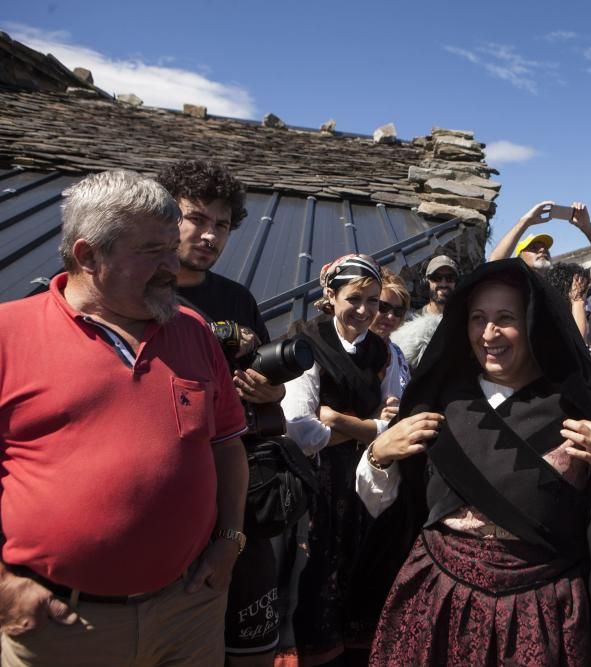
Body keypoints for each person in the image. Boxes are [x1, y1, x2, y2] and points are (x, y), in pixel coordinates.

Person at [353, 258, 591, 666]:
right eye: (477, 318)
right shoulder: (438, 403)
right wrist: (378, 455)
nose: (489, 333)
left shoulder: (577, 410)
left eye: (506, 318)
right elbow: (383, 506)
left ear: (533, 323)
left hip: (541, 611)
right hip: (439, 599)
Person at [0, 169, 249, 666]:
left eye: (169, 246)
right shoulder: (9, 334)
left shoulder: (194, 330)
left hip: (187, 614)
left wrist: (229, 541)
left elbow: (226, 447)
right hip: (60, 625)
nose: (170, 265)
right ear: (88, 255)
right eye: (151, 252)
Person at [158, 159, 285, 665]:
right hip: (159, 503)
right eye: (196, 218)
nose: (209, 235)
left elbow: (274, 390)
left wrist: (264, 392)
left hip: (231, 498)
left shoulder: (237, 298)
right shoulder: (131, 294)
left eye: (222, 224)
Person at [279, 254, 391, 664]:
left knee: (360, 570)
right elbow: (300, 430)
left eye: (374, 301)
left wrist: (340, 420)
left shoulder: (381, 352)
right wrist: (368, 426)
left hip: (365, 481)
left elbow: (394, 424)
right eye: (355, 299)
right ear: (331, 295)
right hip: (318, 482)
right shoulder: (306, 341)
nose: (365, 311)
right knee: (315, 575)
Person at [489, 201, 591, 286]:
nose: (542, 250)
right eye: (534, 248)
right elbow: (494, 263)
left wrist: (587, 228)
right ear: (520, 257)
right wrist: (525, 222)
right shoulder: (515, 281)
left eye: (545, 248)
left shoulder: (563, 282)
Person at [393, 255, 458, 367]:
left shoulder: (464, 320)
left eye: (450, 278)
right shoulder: (409, 323)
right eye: (436, 278)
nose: (443, 283)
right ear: (426, 282)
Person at [372, 268, 412, 406]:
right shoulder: (348, 349)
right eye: (383, 307)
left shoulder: (397, 354)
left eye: (398, 311)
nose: (390, 316)